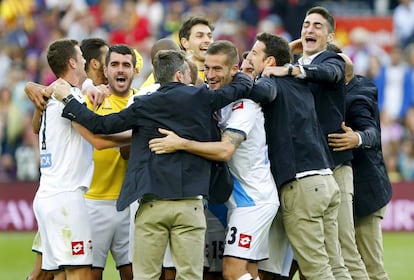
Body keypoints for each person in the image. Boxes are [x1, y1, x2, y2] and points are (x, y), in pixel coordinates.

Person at [51, 49, 258, 280]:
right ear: (180, 75)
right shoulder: (202, 97)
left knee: (146, 276)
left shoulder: (143, 104)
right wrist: (242, 70)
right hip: (190, 203)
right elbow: (242, 86)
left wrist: (68, 100)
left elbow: (101, 125)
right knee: (190, 276)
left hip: (152, 203)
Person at [148, 40, 279, 280]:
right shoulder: (219, 100)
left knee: (231, 271)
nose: (209, 75)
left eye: (217, 69)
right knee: (248, 272)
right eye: (206, 68)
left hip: (253, 201)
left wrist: (181, 143)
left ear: (234, 70)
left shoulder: (244, 105)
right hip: (241, 202)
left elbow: (225, 150)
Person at [267, 6, 365, 279]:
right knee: (319, 257)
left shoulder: (331, 62)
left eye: (317, 26)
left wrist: (294, 68)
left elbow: (332, 73)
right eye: (306, 25)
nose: (310, 29)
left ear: (330, 37)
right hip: (305, 171)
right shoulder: (296, 66)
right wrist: (288, 52)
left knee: (343, 253)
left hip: (333, 167)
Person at [243, 32, 343, 280]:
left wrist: (241, 81)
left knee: (317, 270)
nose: (249, 58)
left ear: (270, 63)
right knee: (335, 265)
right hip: (326, 179)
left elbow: (262, 92)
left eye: (254, 53)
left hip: (302, 184)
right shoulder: (301, 83)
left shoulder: (270, 83)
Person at [327, 53, 392, 280]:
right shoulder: (352, 86)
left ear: (341, 76)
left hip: (365, 192)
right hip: (345, 189)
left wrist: (357, 138)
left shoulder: (357, 96)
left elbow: (372, 132)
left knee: (372, 269)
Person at [178, 16, 215, 81]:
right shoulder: (173, 77)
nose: (207, 40)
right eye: (200, 36)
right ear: (185, 42)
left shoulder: (222, 76)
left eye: (210, 36)